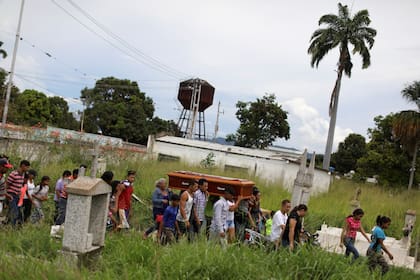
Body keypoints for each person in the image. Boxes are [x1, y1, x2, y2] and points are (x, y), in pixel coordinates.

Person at [6, 160, 30, 225]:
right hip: (11, 195)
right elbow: (7, 185)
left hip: (17, 196)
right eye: (27, 167)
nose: (28, 169)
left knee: (16, 212)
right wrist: (6, 195)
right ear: (22, 166)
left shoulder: (23, 174)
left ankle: (8, 225)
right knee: (15, 212)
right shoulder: (14, 174)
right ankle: (12, 229)